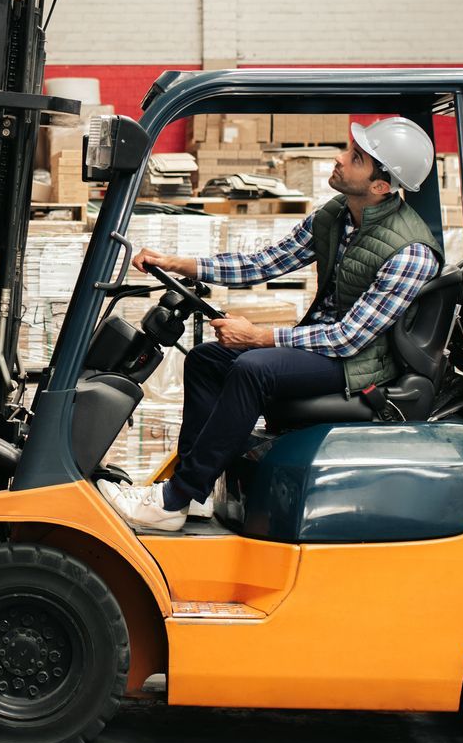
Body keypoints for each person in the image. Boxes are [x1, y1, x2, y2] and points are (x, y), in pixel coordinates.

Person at [98, 117, 443, 533]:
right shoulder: (336, 215)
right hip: (325, 344)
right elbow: (264, 262)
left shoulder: (411, 252)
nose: (339, 159)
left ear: (380, 186)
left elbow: (349, 337)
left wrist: (259, 337)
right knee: (208, 359)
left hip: (360, 364)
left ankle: (174, 499)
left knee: (253, 368)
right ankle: (196, 495)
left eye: (355, 158)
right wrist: (177, 263)